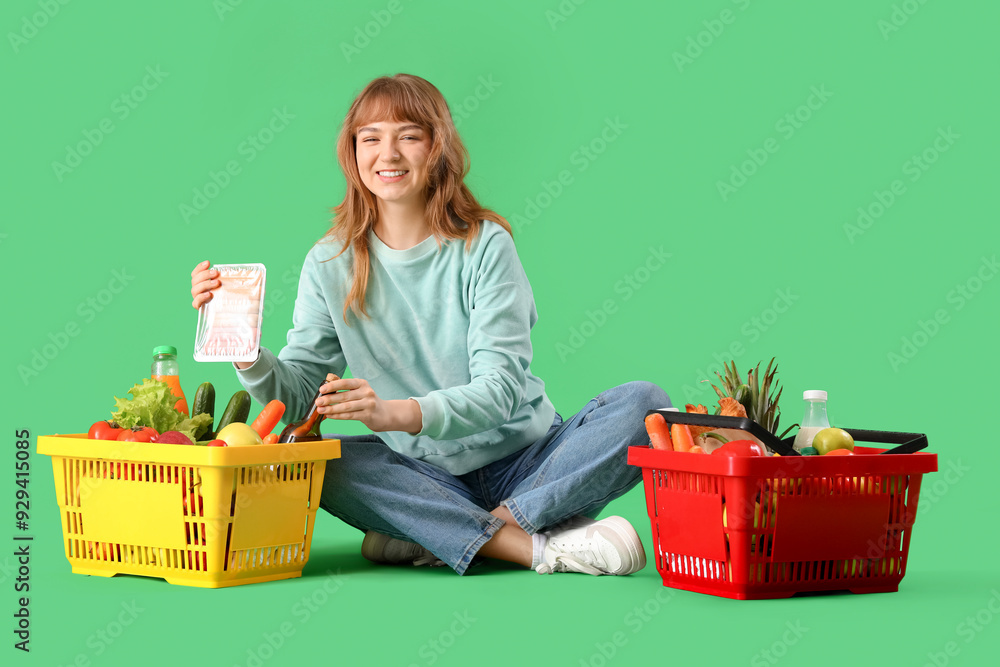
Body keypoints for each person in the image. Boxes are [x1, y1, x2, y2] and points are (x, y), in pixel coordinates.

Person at [190, 73, 672, 576]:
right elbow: (298, 395)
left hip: (530, 461)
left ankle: (449, 533)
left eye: (409, 136)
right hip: (427, 475)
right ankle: (536, 548)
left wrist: (393, 414)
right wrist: (242, 347)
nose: (388, 154)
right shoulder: (329, 262)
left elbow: (502, 389)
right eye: (370, 138)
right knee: (319, 458)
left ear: (436, 148)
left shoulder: (484, 245)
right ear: (353, 154)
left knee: (646, 405)